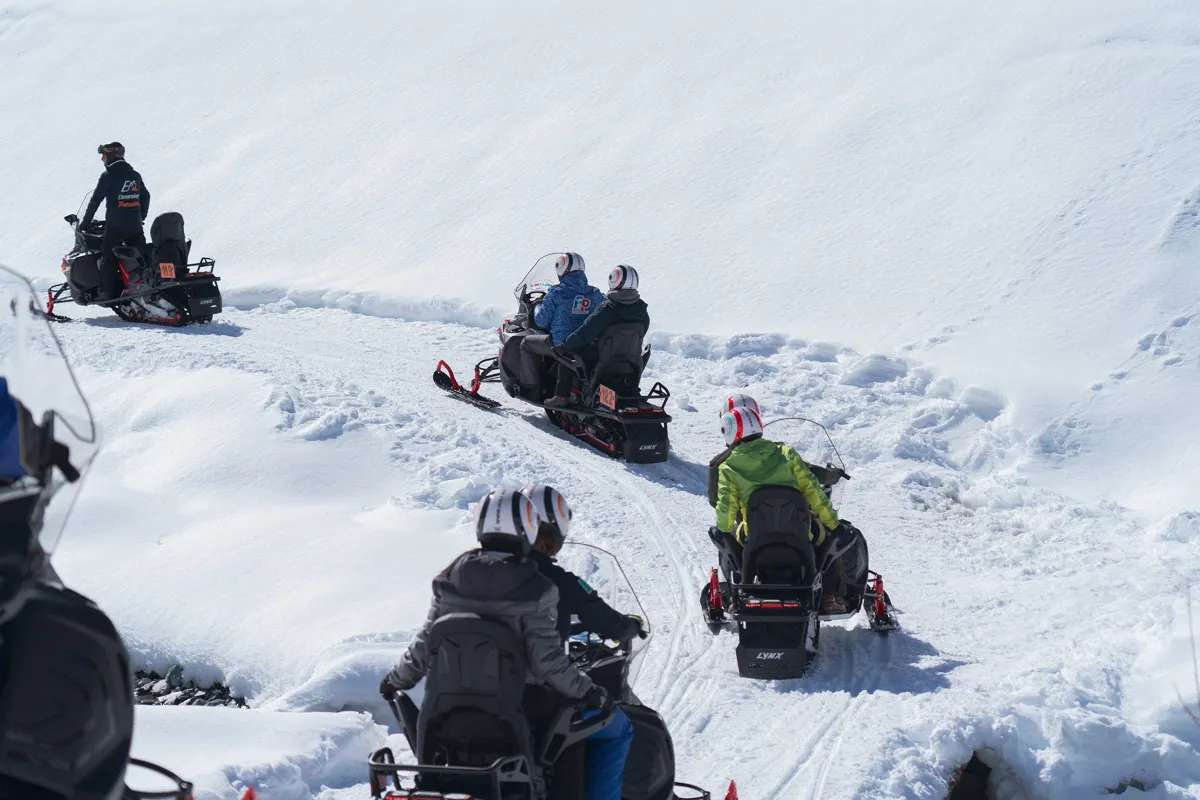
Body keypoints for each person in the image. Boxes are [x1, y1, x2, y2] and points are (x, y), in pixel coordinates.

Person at [381, 489, 633, 800]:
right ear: (529, 527)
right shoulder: (537, 588)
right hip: (520, 711)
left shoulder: (449, 580)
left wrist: (395, 680)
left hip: (447, 716)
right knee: (616, 726)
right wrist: (590, 692)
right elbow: (547, 661)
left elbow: (423, 644)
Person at [713, 406, 858, 614]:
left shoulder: (728, 467)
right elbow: (813, 491)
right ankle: (828, 596)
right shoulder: (786, 454)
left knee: (727, 541)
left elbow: (726, 513)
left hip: (752, 535)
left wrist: (722, 527)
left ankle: (735, 595)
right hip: (800, 532)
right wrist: (833, 524)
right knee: (829, 538)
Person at [522, 484, 644, 644]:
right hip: (542, 667)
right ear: (555, 532)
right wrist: (633, 625)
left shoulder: (485, 571)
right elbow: (612, 625)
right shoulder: (561, 583)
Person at [520, 252, 604, 407]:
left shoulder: (557, 292)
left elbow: (541, 320)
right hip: (587, 343)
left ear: (562, 269)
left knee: (526, 343)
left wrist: (537, 307)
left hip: (561, 343)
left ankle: (532, 389)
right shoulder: (595, 293)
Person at [79, 142, 151, 300]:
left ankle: (106, 293)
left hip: (115, 227)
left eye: (103, 156)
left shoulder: (109, 176)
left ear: (110, 156)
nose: (102, 159)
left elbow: (95, 200)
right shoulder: (134, 175)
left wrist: (85, 222)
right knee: (140, 256)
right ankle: (146, 286)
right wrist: (140, 217)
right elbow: (146, 196)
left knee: (108, 256)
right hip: (135, 226)